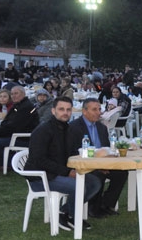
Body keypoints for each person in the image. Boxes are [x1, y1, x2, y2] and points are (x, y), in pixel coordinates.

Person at [25, 96, 101, 231]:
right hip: (41, 177)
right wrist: (67, 172)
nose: (65, 112)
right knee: (78, 185)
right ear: (53, 111)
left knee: (94, 182)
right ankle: (73, 216)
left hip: (60, 173)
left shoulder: (69, 129)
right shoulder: (42, 131)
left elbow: (72, 154)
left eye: (68, 110)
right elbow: (39, 160)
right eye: (61, 109)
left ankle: (64, 212)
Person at [68, 98, 128, 218]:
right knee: (98, 175)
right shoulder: (74, 127)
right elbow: (73, 151)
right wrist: (97, 166)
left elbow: (105, 148)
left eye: (99, 109)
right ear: (84, 111)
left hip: (102, 163)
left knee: (121, 173)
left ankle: (106, 204)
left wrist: (105, 164)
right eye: (94, 109)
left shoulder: (101, 127)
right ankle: (93, 208)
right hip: (84, 165)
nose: (98, 112)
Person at [0, 86, 40, 170]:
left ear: (23, 94)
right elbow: (6, 121)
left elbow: (14, 126)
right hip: (15, 135)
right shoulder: (17, 106)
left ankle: (13, 163)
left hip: (23, 138)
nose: (13, 96)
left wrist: (0, 134)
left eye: (16, 93)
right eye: (12, 94)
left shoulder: (25, 107)